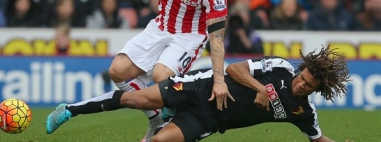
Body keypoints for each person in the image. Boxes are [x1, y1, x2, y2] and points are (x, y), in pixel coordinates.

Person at [76, 0, 231, 141]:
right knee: (117, 71)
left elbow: (217, 38)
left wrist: (219, 80)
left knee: (161, 76)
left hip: (189, 36)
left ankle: (173, 124)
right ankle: (156, 117)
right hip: (160, 27)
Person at [45, 46, 350, 142]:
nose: (300, 84)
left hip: (208, 119)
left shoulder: (303, 113)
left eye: (308, 85)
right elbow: (233, 69)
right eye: (303, 76)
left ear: (315, 90)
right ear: (302, 69)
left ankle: (162, 123)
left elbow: (318, 139)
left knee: (159, 141)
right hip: (200, 86)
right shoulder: (282, 68)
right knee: (134, 99)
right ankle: (70, 110)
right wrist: (261, 89)